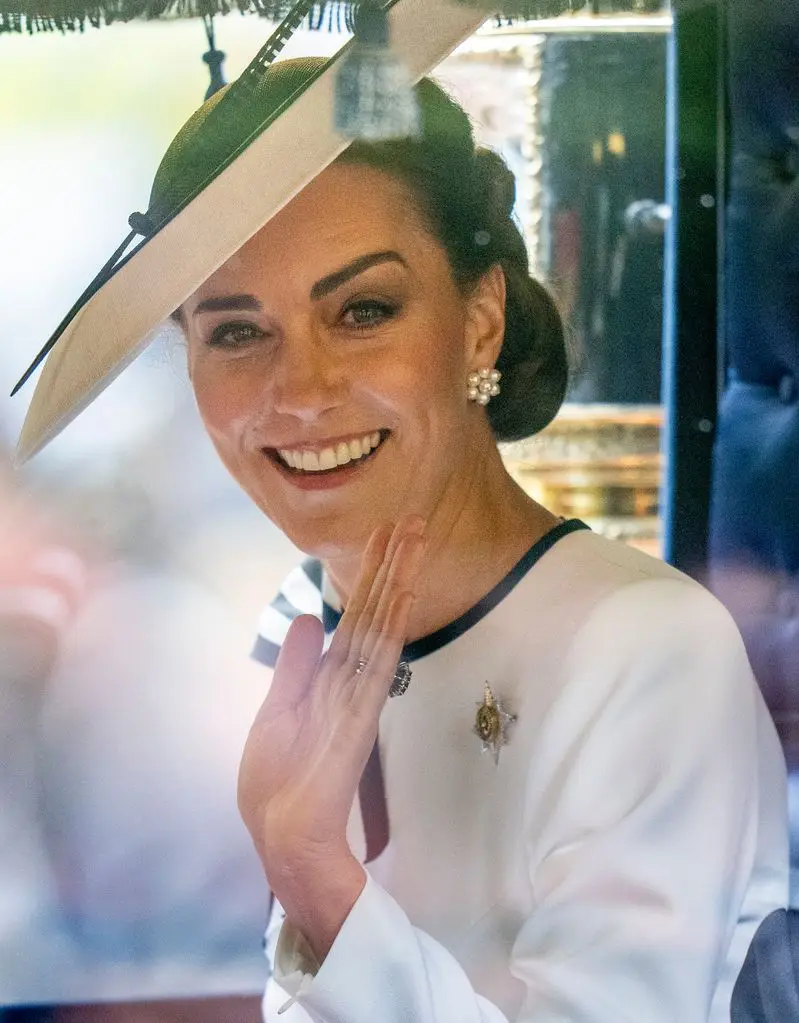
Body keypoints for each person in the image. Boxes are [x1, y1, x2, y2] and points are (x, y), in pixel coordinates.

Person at [14, 26, 789, 1023]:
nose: (300, 392)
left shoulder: (643, 646)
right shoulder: (300, 629)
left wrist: (314, 877)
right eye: (238, 332)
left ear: (480, 319)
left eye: (363, 311)